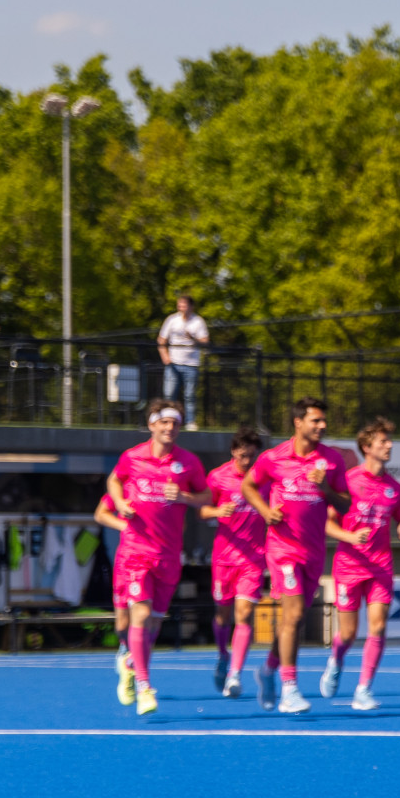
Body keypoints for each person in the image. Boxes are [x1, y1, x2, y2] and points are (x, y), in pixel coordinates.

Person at [242, 397, 352, 714]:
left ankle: (268, 669)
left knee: (297, 618)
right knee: (291, 615)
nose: (322, 426)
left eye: (323, 421)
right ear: (298, 422)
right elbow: (248, 486)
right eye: (316, 420)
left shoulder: (332, 460)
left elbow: (346, 505)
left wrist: (326, 490)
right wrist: (265, 511)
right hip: (282, 550)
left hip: (314, 551)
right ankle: (289, 689)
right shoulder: (274, 457)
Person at [105, 399, 210, 716]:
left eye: (175, 423)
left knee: (152, 626)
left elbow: (206, 496)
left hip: (169, 556)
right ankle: (144, 687)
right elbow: (114, 480)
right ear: (152, 425)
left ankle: (130, 665)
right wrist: (120, 503)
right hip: (136, 552)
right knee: (139, 616)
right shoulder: (132, 457)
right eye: (164, 422)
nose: (170, 428)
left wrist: (184, 496)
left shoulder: (188, 462)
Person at [320, 417, 400, 711]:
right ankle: (336, 661)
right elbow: (328, 524)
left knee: (379, 627)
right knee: (348, 633)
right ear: (366, 447)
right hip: (349, 566)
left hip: (381, 567)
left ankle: (363, 690)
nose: (389, 446)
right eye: (383, 441)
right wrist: (350, 536)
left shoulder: (395, 488)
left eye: (389, 441)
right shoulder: (348, 482)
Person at [202, 425, 267, 698]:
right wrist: (218, 511)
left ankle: (235, 675)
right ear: (233, 452)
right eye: (243, 455)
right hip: (224, 559)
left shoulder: (265, 479)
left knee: (244, 614)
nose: (247, 461)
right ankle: (222, 654)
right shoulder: (218, 477)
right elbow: (202, 510)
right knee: (223, 616)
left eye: (252, 456)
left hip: (253, 559)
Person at [92, 491, 137, 705]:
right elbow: (100, 514)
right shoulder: (124, 487)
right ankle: (124, 649)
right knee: (122, 624)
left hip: (155, 560)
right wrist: (125, 526)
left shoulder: (163, 484)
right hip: (126, 561)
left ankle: (137, 672)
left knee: (145, 620)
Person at [157, 294, 210, 430]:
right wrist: (165, 356)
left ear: (191, 306)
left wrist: (193, 338)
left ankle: (190, 422)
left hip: (191, 364)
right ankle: (168, 420)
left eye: (184, 305)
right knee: (169, 395)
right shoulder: (172, 320)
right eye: (180, 304)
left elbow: (205, 341)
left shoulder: (198, 321)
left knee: (189, 395)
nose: (181, 307)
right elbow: (161, 340)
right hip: (173, 364)